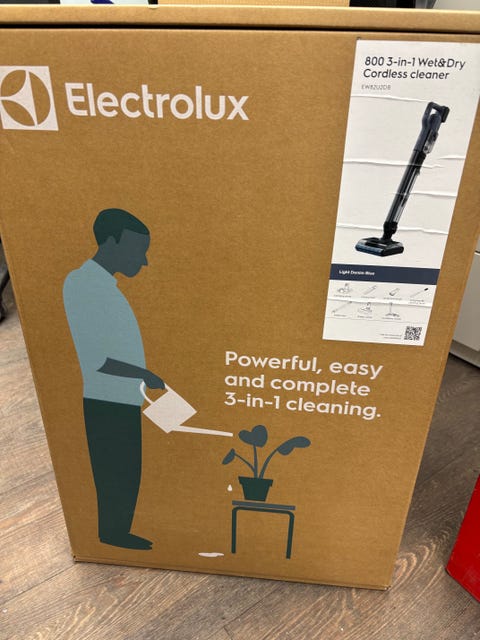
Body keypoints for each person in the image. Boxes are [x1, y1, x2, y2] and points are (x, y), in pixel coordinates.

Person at [63, 208, 164, 550]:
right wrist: (144, 373)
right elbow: (96, 358)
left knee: (126, 467)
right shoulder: (83, 284)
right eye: (138, 250)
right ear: (110, 242)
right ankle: (112, 533)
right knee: (115, 468)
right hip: (105, 399)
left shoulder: (103, 286)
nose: (144, 261)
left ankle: (117, 530)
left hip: (122, 397)